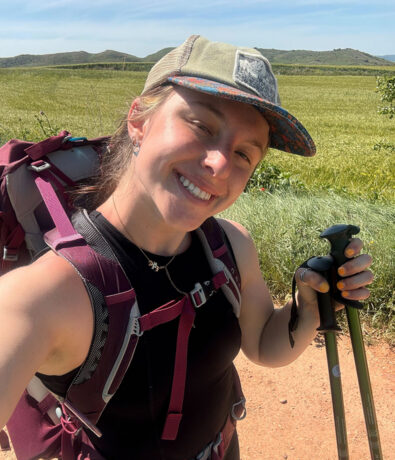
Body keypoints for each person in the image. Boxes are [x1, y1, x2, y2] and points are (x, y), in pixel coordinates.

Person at [0, 35, 373, 460]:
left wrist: (308, 307)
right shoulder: (42, 296)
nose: (218, 165)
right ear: (138, 121)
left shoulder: (230, 246)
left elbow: (264, 344)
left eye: (244, 154)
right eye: (201, 126)